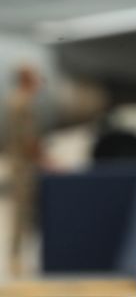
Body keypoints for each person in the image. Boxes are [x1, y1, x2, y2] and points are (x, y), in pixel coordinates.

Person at [4, 64, 45, 277]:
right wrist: (44, 159)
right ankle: (17, 258)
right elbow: (28, 139)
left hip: (18, 162)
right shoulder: (23, 103)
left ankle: (18, 256)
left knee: (21, 212)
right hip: (24, 165)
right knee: (23, 213)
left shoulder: (15, 100)